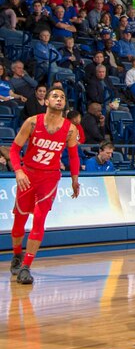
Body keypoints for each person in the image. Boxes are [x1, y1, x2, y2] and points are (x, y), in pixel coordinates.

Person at [7, 87, 81, 285]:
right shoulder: (32, 122)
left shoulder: (70, 129)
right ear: (46, 101)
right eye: (55, 96)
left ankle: (26, 267)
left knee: (39, 220)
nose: (59, 99)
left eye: (62, 97)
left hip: (49, 178)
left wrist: (75, 178)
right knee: (19, 220)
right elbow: (14, 149)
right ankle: (16, 255)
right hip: (28, 175)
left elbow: (73, 156)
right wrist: (18, 171)